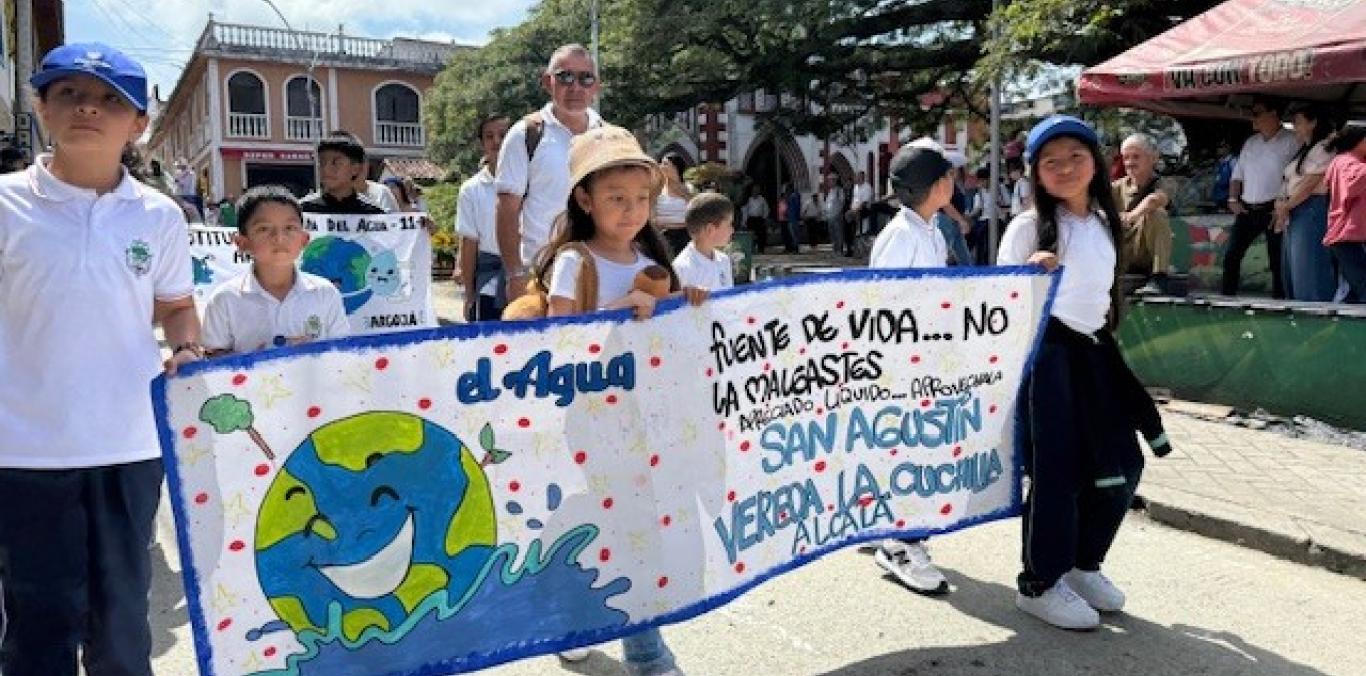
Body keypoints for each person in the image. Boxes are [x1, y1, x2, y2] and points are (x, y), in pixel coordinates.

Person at [0, 42, 202, 676]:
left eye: (111, 99)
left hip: (129, 443)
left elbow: (174, 305)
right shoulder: (5, 205)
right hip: (23, 448)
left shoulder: (161, 217)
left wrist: (189, 345)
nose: (88, 107)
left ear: (138, 123)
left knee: (122, 620)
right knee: (39, 619)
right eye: (68, 92)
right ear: (40, 106)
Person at [539, 125, 705, 675]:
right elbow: (559, 341)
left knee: (638, 528)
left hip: (650, 422)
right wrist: (620, 308)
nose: (631, 210)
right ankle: (646, 653)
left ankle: (580, 624)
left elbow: (676, 332)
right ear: (584, 199)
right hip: (591, 422)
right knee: (622, 530)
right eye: (616, 198)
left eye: (640, 199)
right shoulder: (574, 262)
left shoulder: (652, 259)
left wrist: (691, 301)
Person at [997, 115, 1171, 631]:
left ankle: (1081, 564)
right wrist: (1028, 275)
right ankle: (1039, 583)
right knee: (1058, 472)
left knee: (1123, 463)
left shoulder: (1102, 219)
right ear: (1035, 174)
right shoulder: (1027, 227)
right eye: (1051, 161)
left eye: (1076, 156)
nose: (1065, 168)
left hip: (1096, 354)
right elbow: (999, 304)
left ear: (1097, 162)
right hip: (1047, 357)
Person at [865, 143, 955, 595]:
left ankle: (889, 528)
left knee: (919, 449)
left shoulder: (932, 231)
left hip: (928, 360)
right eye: (949, 176)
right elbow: (883, 304)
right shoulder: (901, 236)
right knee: (912, 451)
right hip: (903, 366)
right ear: (938, 186)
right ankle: (901, 542)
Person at [496, 43, 605, 303]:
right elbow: (507, 210)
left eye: (585, 78)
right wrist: (515, 274)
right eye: (565, 76)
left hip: (600, 275)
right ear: (548, 82)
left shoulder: (609, 136)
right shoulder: (526, 134)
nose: (575, 87)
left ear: (596, 86)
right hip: (543, 276)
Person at [202, 186, 349, 354]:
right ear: (242, 243)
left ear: (304, 239)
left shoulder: (325, 293)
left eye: (290, 228)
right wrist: (256, 362)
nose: (279, 238)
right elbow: (213, 361)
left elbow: (342, 354)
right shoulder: (225, 299)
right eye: (264, 229)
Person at [1223, 98, 1300, 297]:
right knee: (1232, 255)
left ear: (1274, 114)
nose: (1252, 118)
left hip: (1273, 208)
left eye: (1257, 112)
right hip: (1247, 208)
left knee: (1277, 260)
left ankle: (1280, 303)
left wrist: (1284, 204)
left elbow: (1297, 175)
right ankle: (1226, 298)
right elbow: (1237, 174)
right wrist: (1233, 200)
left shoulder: (1292, 140)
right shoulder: (1251, 142)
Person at [1274, 102, 1336, 302]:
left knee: (1308, 264)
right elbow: (1290, 180)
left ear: (1313, 123)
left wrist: (1287, 205)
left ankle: (1315, 309)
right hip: (1293, 209)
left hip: (1310, 208)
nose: (1295, 127)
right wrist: (1281, 204)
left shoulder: (1324, 147)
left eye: (1298, 122)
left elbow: (1310, 184)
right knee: (1293, 266)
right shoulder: (1303, 150)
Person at [458, 114, 511, 321]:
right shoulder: (471, 189)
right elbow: (469, 243)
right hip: (489, 285)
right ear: (482, 144)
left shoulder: (531, 181)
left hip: (527, 284)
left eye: (503, 135)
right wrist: (469, 294)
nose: (496, 141)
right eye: (489, 136)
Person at [1111, 134, 1175, 294]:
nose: (1130, 163)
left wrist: (1131, 216)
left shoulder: (1165, 183)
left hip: (1144, 252)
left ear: (1153, 158)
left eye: (1136, 157)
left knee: (1156, 213)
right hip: (1120, 251)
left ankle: (1159, 277)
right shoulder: (1115, 188)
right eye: (1126, 158)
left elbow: (1155, 200)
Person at [1323, 124, 1366, 303]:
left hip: (1353, 236)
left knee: (1354, 292)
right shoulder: (1344, 161)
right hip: (1348, 236)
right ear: (1359, 141)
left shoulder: (1347, 161)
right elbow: (1352, 185)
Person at [301, 131, 387, 215]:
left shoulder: (373, 214)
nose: (326, 169)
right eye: (322, 162)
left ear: (355, 169)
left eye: (336, 163)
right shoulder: (304, 212)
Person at [673, 192, 735, 291]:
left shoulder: (724, 260)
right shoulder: (683, 268)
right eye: (729, 224)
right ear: (710, 230)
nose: (732, 230)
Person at [655, 153, 692, 255]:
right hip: (662, 235)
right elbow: (652, 215)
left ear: (675, 167)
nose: (661, 167)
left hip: (684, 236)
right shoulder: (657, 189)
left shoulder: (688, 188)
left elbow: (695, 212)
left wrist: (685, 195)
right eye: (661, 163)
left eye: (665, 164)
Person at [848, 171, 875, 256]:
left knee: (862, 231)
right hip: (855, 210)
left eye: (859, 177)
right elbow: (854, 199)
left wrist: (856, 210)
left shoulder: (867, 187)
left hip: (864, 210)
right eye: (857, 177)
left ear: (863, 177)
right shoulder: (855, 187)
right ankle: (855, 249)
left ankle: (864, 251)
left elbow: (864, 202)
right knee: (853, 230)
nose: (857, 179)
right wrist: (851, 209)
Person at [743, 185, 770, 253]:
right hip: (751, 219)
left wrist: (764, 218)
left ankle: (761, 249)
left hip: (759, 219)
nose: (755, 192)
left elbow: (766, 209)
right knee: (751, 235)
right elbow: (745, 210)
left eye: (757, 190)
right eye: (754, 190)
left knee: (761, 235)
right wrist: (744, 221)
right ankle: (751, 249)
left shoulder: (762, 199)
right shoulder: (749, 200)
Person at [1211, 139, 1237, 209]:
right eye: (1218, 147)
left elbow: (1236, 180)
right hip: (1219, 199)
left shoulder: (1233, 162)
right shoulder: (1220, 163)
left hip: (1228, 201)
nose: (1218, 149)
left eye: (1221, 146)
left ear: (1228, 147)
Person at [822, 176, 845, 254]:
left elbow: (842, 202)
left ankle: (839, 249)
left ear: (834, 181)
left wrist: (838, 212)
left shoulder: (839, 190)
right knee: (832, 233)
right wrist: (825, 211)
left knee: (838, 233)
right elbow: (827, 203)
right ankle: (834, 249)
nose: (828, 183)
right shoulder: (830, 191)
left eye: (830, 181)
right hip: (829, 216)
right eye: (828, 181)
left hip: (836, 215)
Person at [783, 184, 801, 253]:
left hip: (793, 218)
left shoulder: (792, 196)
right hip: (792, 217)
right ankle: (795, 247)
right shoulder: (794, 196)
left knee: (793, 234)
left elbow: (795, 207)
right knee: (794, 234)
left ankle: (795, 248)